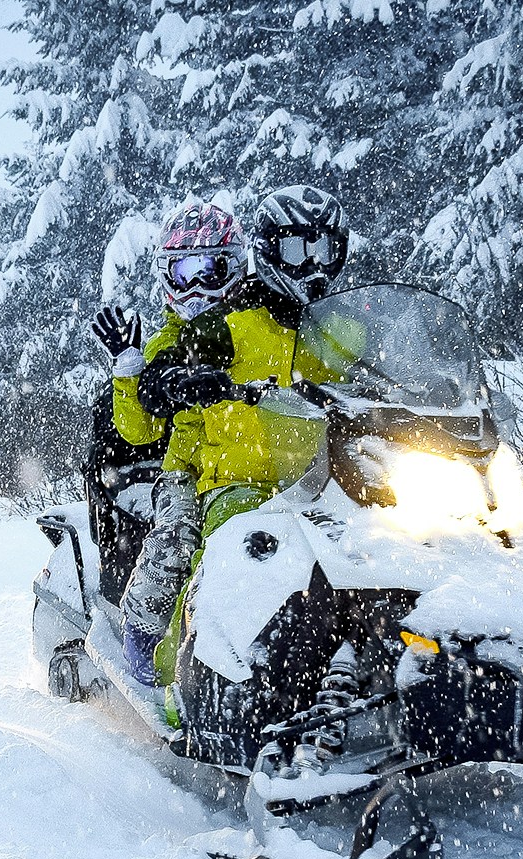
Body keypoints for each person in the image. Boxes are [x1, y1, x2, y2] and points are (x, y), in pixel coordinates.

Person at [95, 188, 352, 702]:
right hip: (215, 471)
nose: (312, 268)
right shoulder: (227, 327)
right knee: (181, 547)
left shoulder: (337, 326)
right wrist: (151, 377)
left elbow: (381, 366)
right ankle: (170, 663)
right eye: (298, 253)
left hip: (312, 473)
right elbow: (159, 393)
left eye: (322, 252)